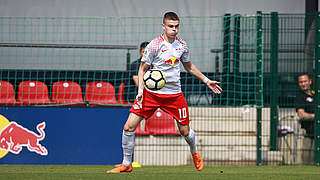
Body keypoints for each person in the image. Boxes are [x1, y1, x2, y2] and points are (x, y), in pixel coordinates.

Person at [107, 12, 222, 173]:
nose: (174, 30)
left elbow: (188, 66)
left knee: (185, 131)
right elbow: (142, 69)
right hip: (151, 94)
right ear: (163, 26)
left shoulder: (182, 45)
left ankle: (194, 152)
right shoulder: (154, 45)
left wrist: (206, 80)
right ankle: (126, 164)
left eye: (176, 26)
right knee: (128, 127)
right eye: (170, 26)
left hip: (174, 95)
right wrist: (140, 90)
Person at [295, 73, 315, 164]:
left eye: (305, 81)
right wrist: (315, 116)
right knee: (306, 159)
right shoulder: (300, 97)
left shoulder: (316, 94)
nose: (303, 84)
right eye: (301, 82)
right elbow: (301, 114)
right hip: (308, 132)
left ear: (310, 81)